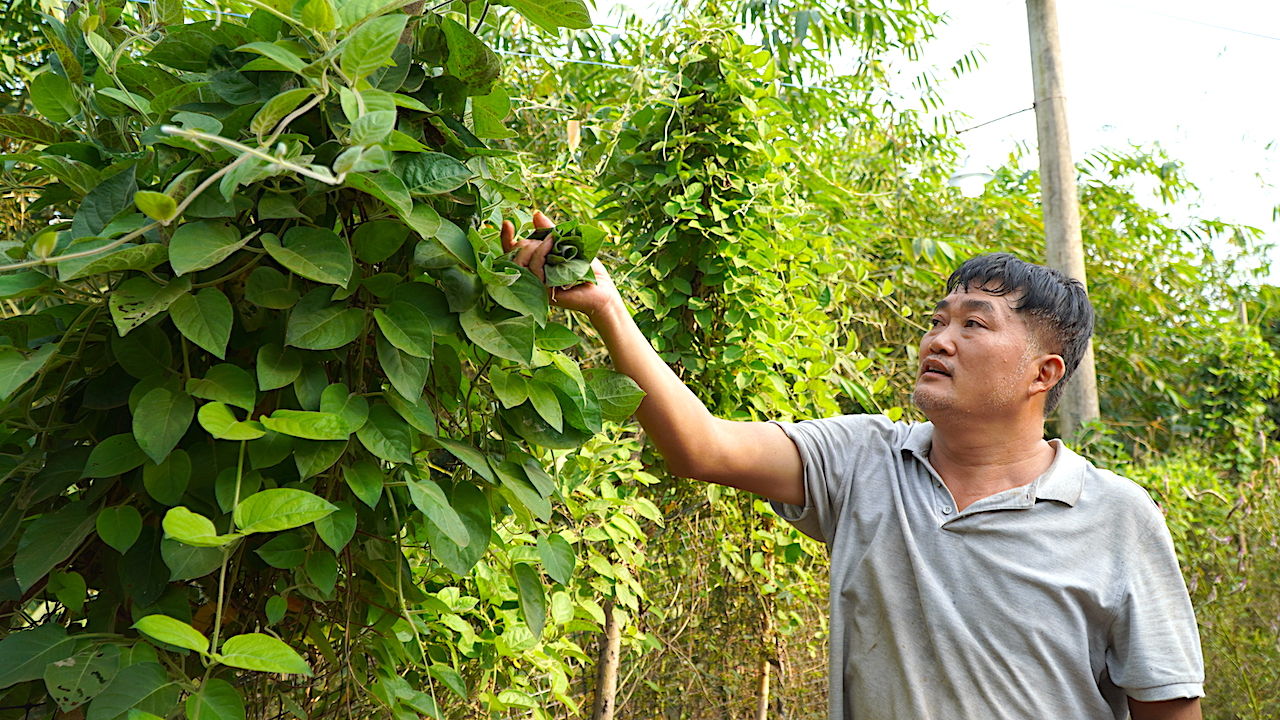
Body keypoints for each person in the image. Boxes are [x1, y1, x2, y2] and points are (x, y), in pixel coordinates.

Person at [501, 211, 1205, 720]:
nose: (939, 339)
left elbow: (1168, 708)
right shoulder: (864, 461)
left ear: (1042, 374)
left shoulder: (1115, 518)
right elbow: (701, 446)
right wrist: (606, 307)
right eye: (937, 320)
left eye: (975, 323)